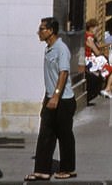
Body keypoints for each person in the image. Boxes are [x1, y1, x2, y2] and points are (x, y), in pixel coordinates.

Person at [26, 17, 76, 181]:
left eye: (42, 29)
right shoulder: (49, 48)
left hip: (63, 99)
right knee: (46, 133)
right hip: (50, 98)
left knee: (64, 134)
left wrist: (55, 95)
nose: (39, 32)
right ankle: (42, 169)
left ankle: (68, 168)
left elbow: (63, 73)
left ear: (51, 31)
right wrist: (47, 97)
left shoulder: (61, 49)